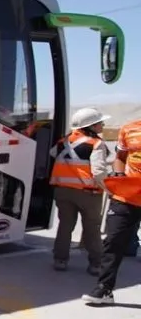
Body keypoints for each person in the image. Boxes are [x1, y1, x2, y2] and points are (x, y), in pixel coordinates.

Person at [83, 115, 141, 304]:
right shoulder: (129, 128)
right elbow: (121, 157)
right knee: (113, 240)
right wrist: (117, 176)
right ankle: (104, 289)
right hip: (127, 196)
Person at [48, 107, 111, 274]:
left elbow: (53, 153)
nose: (102, 125)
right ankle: (96, 264)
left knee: (65, 226)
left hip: (63, 191)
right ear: (90, 126)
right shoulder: (96, 144)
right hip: (88, 193)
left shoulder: (64, 141)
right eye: (99, 123)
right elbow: (98, 172)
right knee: (92, 228)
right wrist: (109, 189)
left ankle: (60, 260)